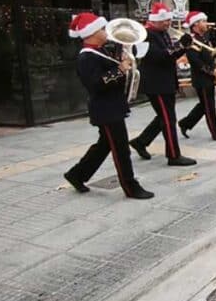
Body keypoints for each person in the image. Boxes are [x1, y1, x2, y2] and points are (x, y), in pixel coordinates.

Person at [62, 13, 153, 199]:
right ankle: (130, 186)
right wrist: (119, 69)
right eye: (102, 29)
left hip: (113, 106)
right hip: (106, 109)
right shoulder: (86, 57)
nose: (106, 32)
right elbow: (96, 84)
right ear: (92, 33)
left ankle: (76, 174)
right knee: (120, 149)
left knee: (104, 145)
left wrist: (126, 57)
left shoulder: (101, 50)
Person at [129, 2, 196, 167]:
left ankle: (141, 142)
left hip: (166, 82)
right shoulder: (146, 34)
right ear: (155, 20)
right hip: (156, 84)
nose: (168, 22)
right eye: (164, 20)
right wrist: (179, 45)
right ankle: (173, 155)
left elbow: (171, 55)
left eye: (168, 19)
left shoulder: (163, 33)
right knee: (168, 119)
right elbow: (158, 56)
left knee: (164, 117)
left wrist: (183, 46)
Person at [178, 11, 216, 142]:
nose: (206, 23)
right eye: (203, 21)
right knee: (209, 107)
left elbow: (209, 56)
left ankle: (185, 123)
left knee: (204, 105)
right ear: (195, 24)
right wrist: (212, 72)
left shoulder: (204, 38)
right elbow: (195, 61)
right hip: (202, 79)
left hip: (209, 77)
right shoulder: (192, 40)